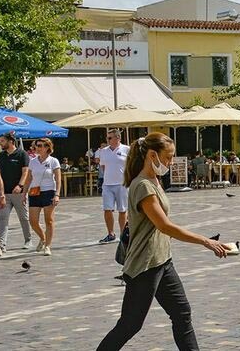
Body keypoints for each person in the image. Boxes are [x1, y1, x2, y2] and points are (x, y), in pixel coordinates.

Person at [97, 133, 229, 351]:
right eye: (168, 157)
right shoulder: (143, 186)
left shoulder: (154, 181)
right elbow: (164, 226)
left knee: (182, 313)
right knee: (130, 325)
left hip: (162, 260)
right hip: (145, 265)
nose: (170, 163)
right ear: (152, 155)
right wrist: (206, 241)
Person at [24, 137, 61, 256]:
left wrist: (57, 194)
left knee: (48, 220)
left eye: (40, 146)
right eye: (36, 146)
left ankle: (48, 246)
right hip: (34, 192)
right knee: (33, 221)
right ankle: (42, 237)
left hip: (48, 190)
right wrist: (24, 193)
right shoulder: (33, 161)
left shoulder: (53, 161)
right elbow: (29, 177)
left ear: (47, 148)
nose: (37, 148)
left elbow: (58, 179)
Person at [0, 133, 34, 251]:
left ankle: (28, 240)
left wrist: (20, 185)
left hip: (18, 193)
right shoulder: (1, 156)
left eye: (2, 141)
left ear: (11, 141)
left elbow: (25, 172)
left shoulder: (22, 154)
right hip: (5, 193)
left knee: (24, 217)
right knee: (2, 218)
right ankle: (1, 244)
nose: (0, 143)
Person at [96, 128, 131, 244]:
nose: (108, 140)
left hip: (122, 184)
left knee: (122, 210)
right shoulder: (103, 151)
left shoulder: (127, 149)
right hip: (108, 184)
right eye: (107, 138)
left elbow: (131, 166)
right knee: (107, 209)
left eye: (110, 138)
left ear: (118, 138)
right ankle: (110, 233)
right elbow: (103, 166)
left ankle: (122, 233)